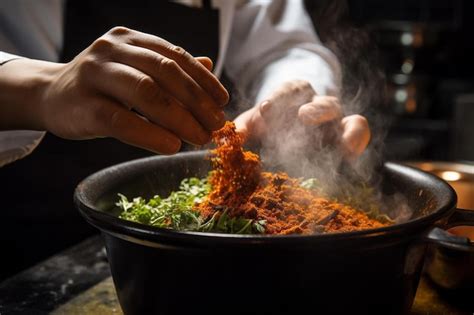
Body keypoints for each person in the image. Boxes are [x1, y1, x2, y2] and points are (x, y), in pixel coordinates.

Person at [0, 0, 370, 278]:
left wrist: (290, 105)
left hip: (180, 260)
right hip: (24, 245)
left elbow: (283, 47)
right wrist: (40, 88)